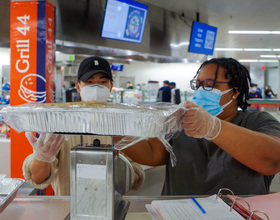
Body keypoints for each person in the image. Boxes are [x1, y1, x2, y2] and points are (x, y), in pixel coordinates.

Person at [123, 57, 280, 195]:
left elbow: (273, 161)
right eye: (198, 85)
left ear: (235, 91)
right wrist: (113, 127)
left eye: (210, 85)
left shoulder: (257, 121)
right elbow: (152, 153)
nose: (201, 91)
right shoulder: (182, 123)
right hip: (178, 212)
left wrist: (213, 128)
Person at [22, 56, 145, 196]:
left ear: (111, 86)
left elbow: (136, 176)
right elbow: (38, 178)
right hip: (67, 208)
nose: (96, 87)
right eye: (89, 82)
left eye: (103, 82)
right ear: (78, 86)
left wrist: (115, 172)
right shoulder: (60, 124)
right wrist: (42, 157)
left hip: (110, 207)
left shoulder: (123, 124)